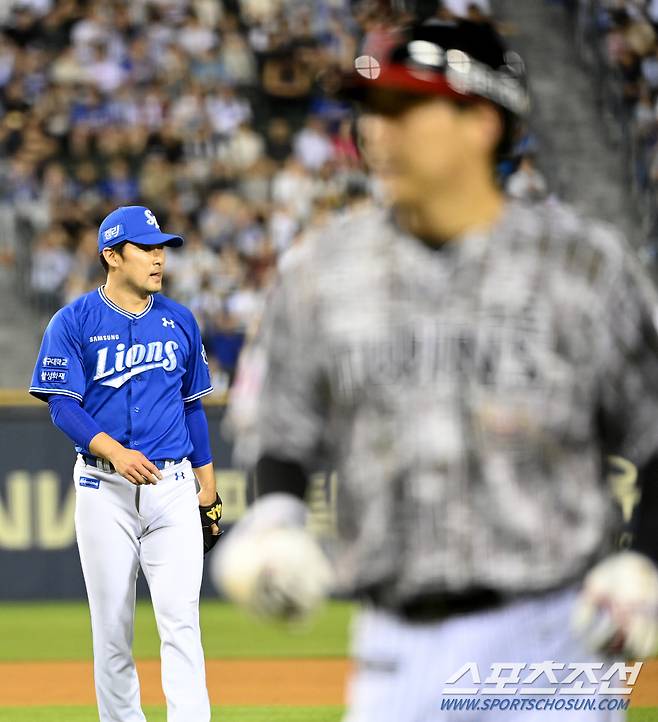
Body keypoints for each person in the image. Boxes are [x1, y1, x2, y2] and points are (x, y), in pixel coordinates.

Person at [212, 18, 658, 722]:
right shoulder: (323, 274)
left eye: (402, 108)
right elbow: (282, 432)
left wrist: (646, 561)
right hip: (391, 648)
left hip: (551, 646)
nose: (376, 131)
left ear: (480, 120)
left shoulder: (583, 269)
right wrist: (275, 514)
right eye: (371, 111)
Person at [29, 205, 222, 722]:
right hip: (103, 489)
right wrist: (113, 450)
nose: (159, 258)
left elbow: (193, 408)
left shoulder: (179, 319)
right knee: (112, 630)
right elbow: (63, 405)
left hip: (174, 487)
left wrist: (209, 488)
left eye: (162, 247)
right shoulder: (72, 321)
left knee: (181, 623)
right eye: (146, 248)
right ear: (112, 256)